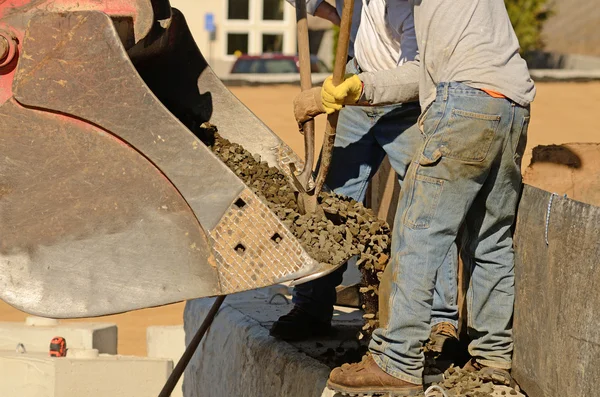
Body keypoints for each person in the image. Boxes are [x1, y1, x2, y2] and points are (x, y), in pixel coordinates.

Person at [301, 0, 535, 394]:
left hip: (463, 104)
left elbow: (437, 77)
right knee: (489, 239)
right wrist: (363, 87)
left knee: (418, 232)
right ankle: (492, 357)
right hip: (511, 105)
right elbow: (421, 72)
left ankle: (396, 359)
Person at [271, 0, 459, 353]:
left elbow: (420, 71)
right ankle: (312, 305)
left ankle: (440, 320)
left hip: (407, 101)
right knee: (326, 199)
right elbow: (329, 10)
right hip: (357, 88)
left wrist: (361, 88)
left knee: (429, 201)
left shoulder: (417, 6)